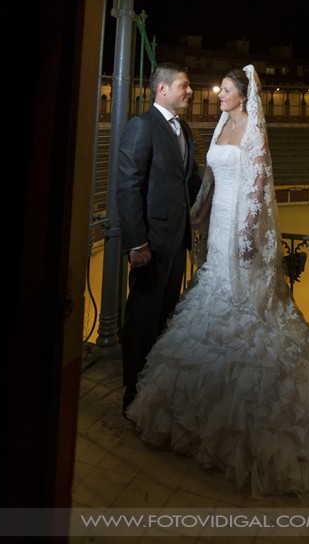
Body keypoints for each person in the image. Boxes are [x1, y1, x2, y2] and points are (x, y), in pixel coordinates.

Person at [126, 64, 309, 500]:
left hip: (239, 232)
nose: (218, 94)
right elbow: (211, 178)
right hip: (215, 230)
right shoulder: (218, 127)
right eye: (219, 90)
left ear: (243, 95)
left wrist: (248, 235)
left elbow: (256, 187)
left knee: (247, 315)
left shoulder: (253, 129)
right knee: (209, 304)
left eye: (226, 90)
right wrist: (199, 212)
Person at [117, 62, 202, 417]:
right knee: (142, 318)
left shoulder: (183, 128)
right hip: (151, 243)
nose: (190, 91)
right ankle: (132, 390)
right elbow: (128, 186)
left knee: (165, 315)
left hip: (176, 240)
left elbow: (190, 183)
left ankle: (154, 385)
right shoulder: (142, 126)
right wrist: (137, 244)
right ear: (162, 89)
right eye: (184, 85)